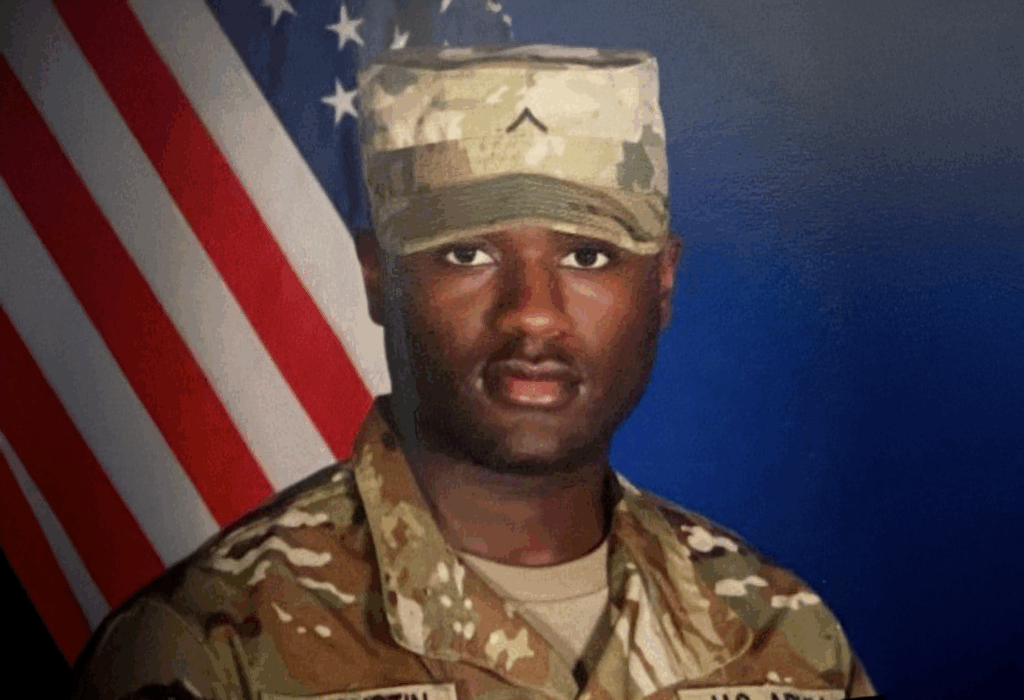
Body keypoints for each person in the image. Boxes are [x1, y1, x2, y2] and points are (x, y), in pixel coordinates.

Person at [70, 45, 877, 700]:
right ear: (377, 277)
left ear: (661, 284)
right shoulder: (207, 651)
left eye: (588, 255)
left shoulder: (785, 638)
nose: (532, 311)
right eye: (468, 253)